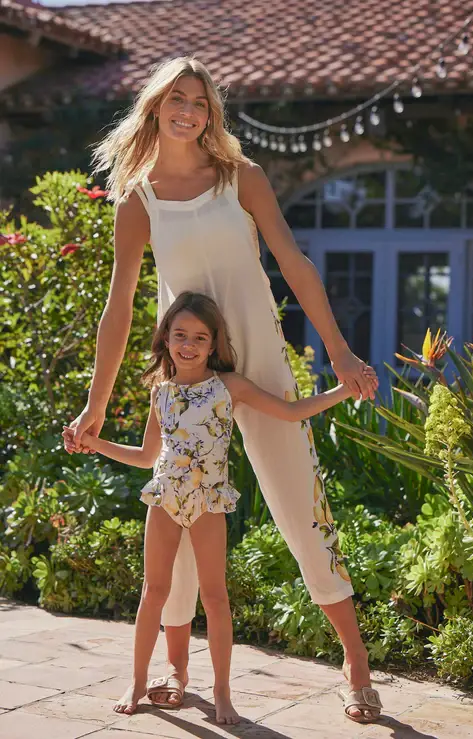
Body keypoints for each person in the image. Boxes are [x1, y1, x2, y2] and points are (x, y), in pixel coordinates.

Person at [63, 56, 382, 723]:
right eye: (176, 98)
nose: (188, 110)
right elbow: (119, 308)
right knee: (178, 499)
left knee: (298, 498)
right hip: (185, 369)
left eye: (200, 101)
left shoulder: (241, 179)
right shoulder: (138, 196)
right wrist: (95, 404)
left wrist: (339, 350)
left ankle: (354, 661)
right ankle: (177, 668)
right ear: (154, 108)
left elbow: (292, 263)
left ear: (211, 114)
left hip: (258, 355)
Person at [64, 291, 367, 723]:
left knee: (216, 598)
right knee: (153, 593)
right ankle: (135, 681)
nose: (188, 345)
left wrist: (343, 390)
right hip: (165, 499)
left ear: (212, 344)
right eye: (180, 334)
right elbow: (148, 456)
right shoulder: (161, 392)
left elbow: (289, 411)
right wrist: (95, 443)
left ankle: (223, 693)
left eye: (200, 338)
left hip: (208, 501)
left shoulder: (229, 386)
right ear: (166, 337)